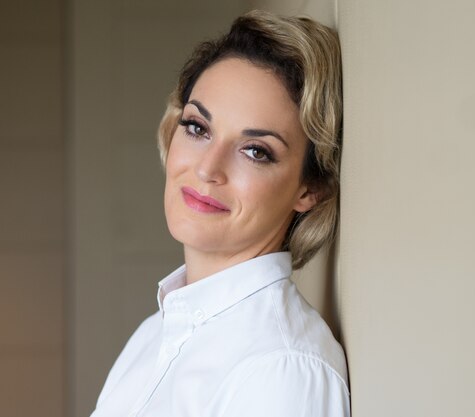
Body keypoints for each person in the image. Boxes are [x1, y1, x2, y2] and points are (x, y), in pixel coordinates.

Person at [90, 9, 349, 417]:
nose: (208, 169)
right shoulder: (154, 334)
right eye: (197, 128)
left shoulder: (280, 370)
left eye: (255, 151)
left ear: (310, 189)